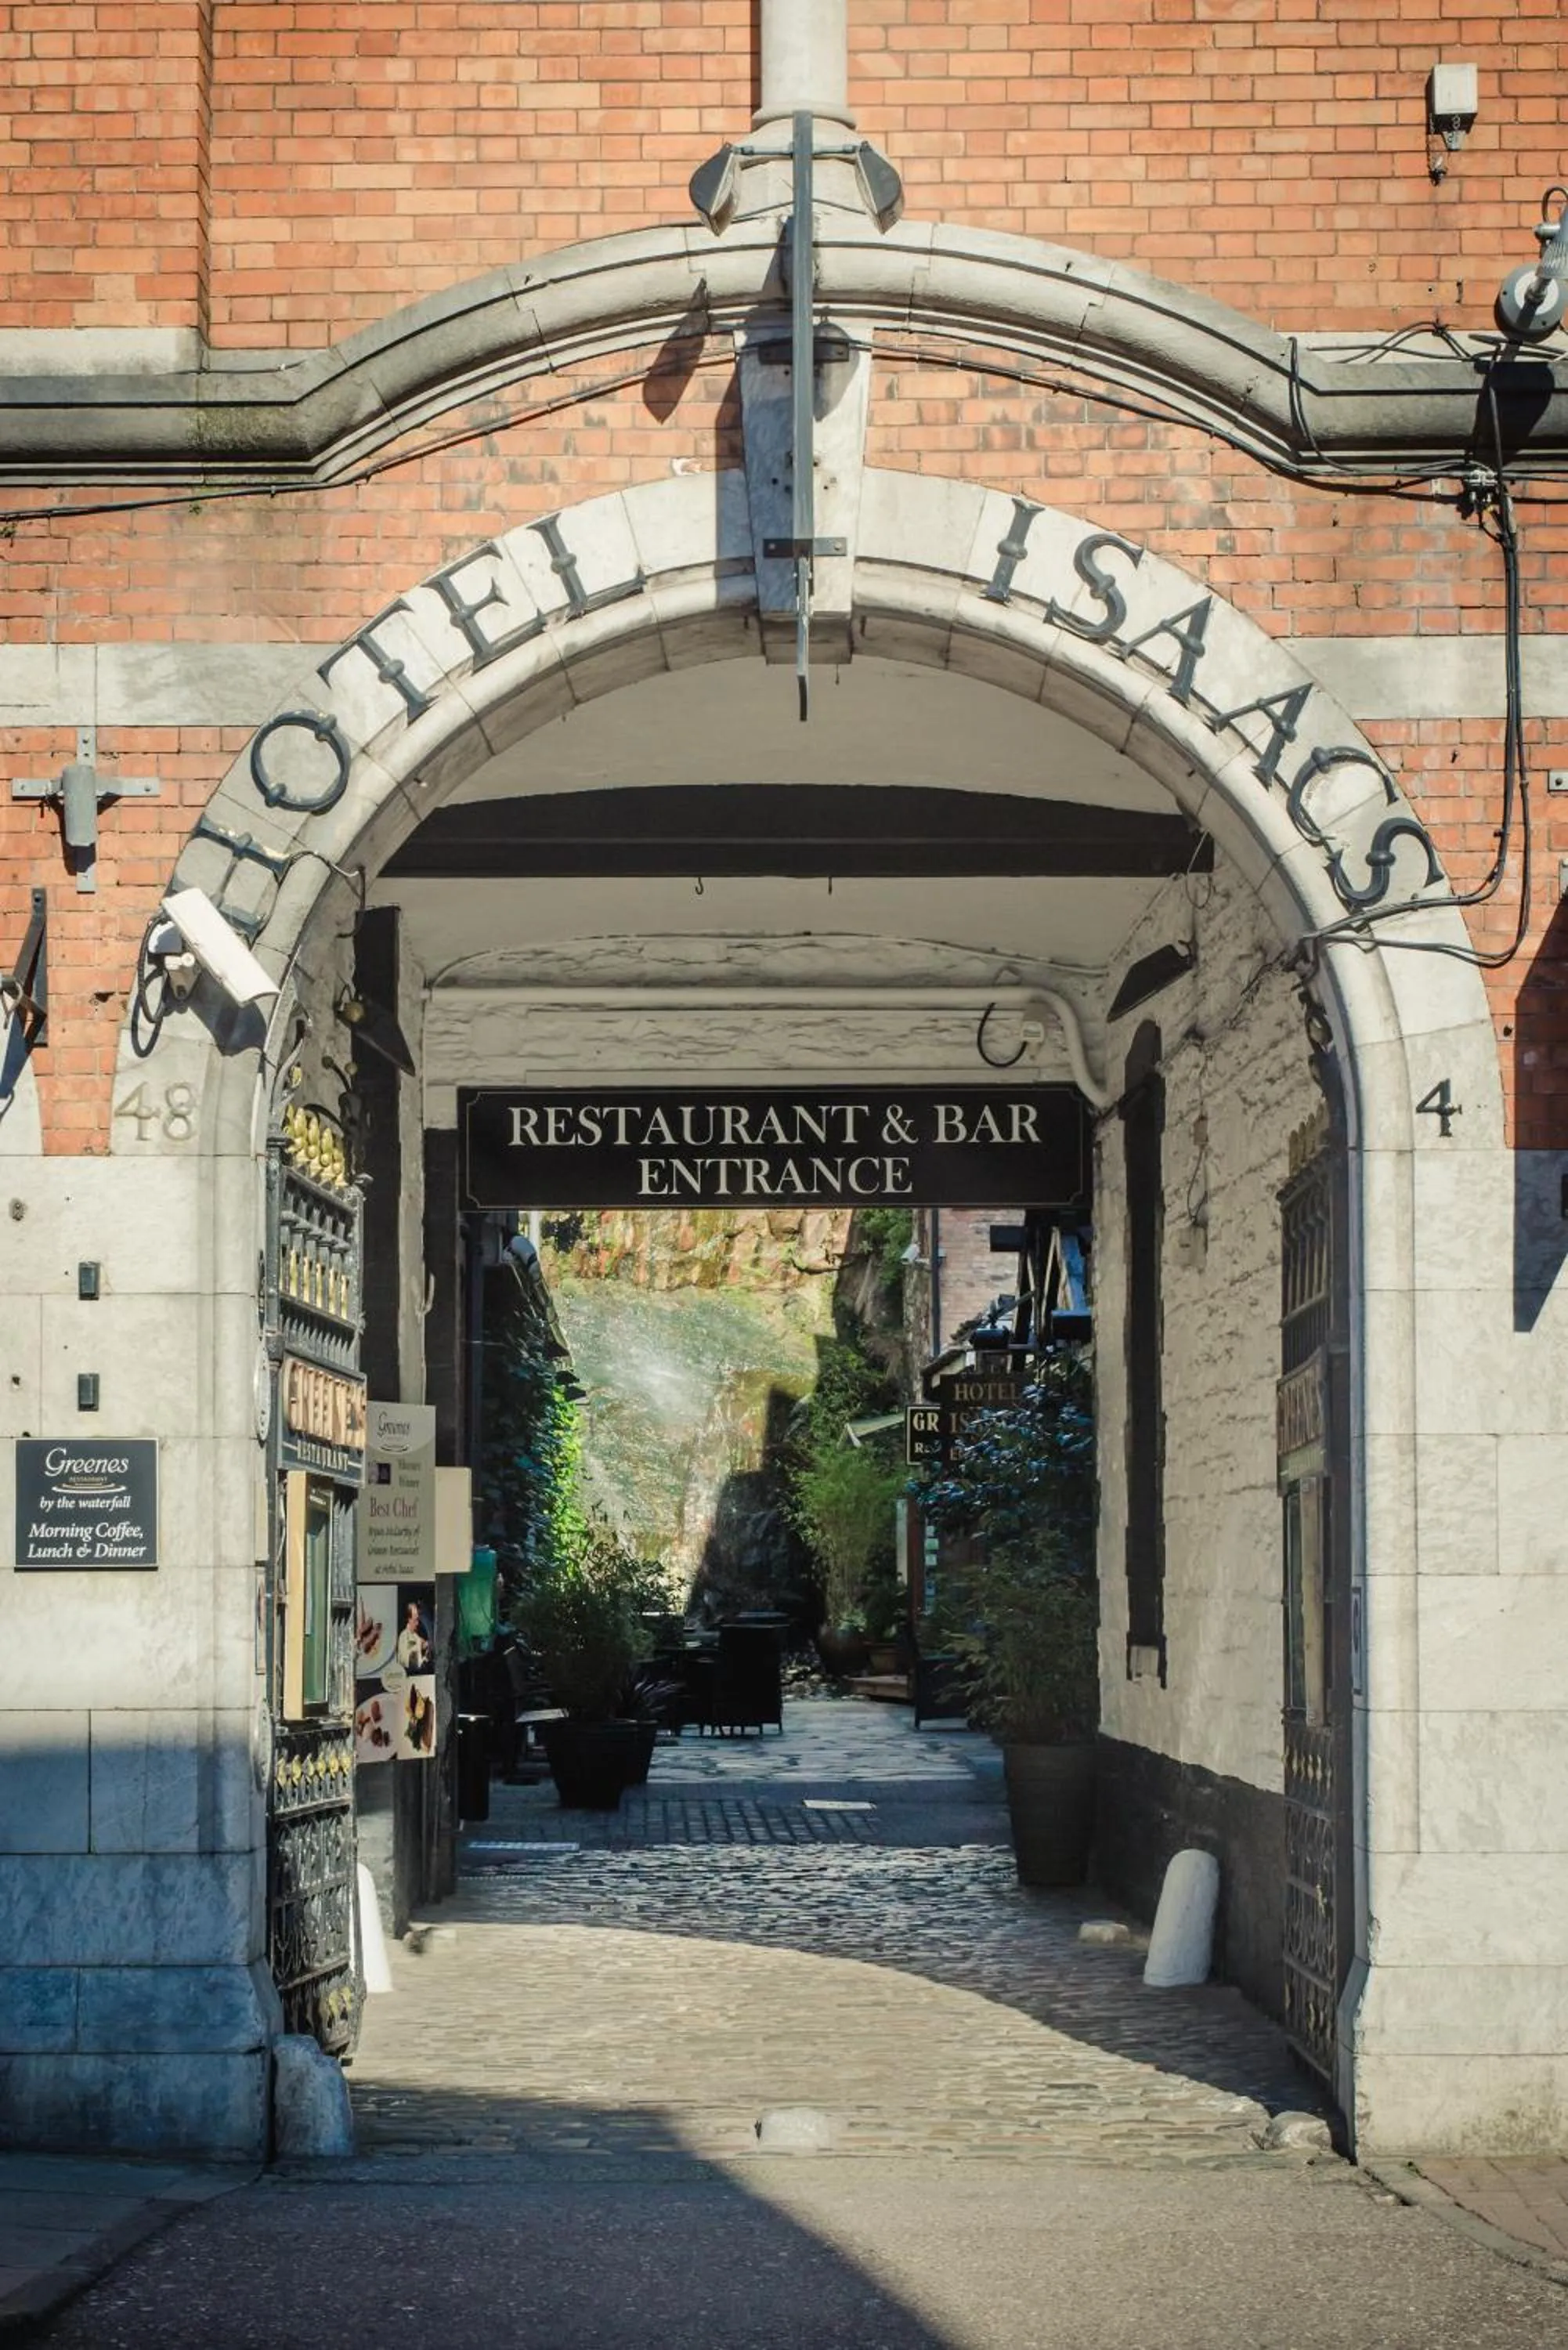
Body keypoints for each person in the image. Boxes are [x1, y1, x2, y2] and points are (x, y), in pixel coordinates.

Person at [396, 1600, 430, 1672]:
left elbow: (425, 1645)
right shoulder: (403, 1637)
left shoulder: (418, 1635)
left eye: (418, 1620)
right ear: (409, 1619)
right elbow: (406, 1661)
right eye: (415, 1620)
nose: (418, 1623)